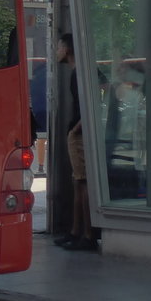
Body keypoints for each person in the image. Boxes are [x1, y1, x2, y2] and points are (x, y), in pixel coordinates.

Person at [55, 33, 98, 251]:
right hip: (79, 131)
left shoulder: (78, 73)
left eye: (59, 47)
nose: (57, 51)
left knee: (83, 182)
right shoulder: (83, 72)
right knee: (78, 182)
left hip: (79, 134)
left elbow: (96, 99)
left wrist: (77, 128)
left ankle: (87, 235)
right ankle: (76, 232)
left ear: (68, 50)